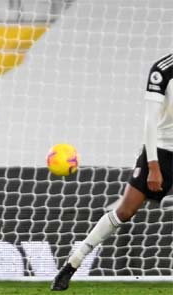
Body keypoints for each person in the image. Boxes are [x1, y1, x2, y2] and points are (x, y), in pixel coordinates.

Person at [51, 54, 173, 291]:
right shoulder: (162, 70)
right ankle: (72, 264)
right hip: (162, 150)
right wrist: (154, 166)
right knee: (124, 211)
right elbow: (150, 121)